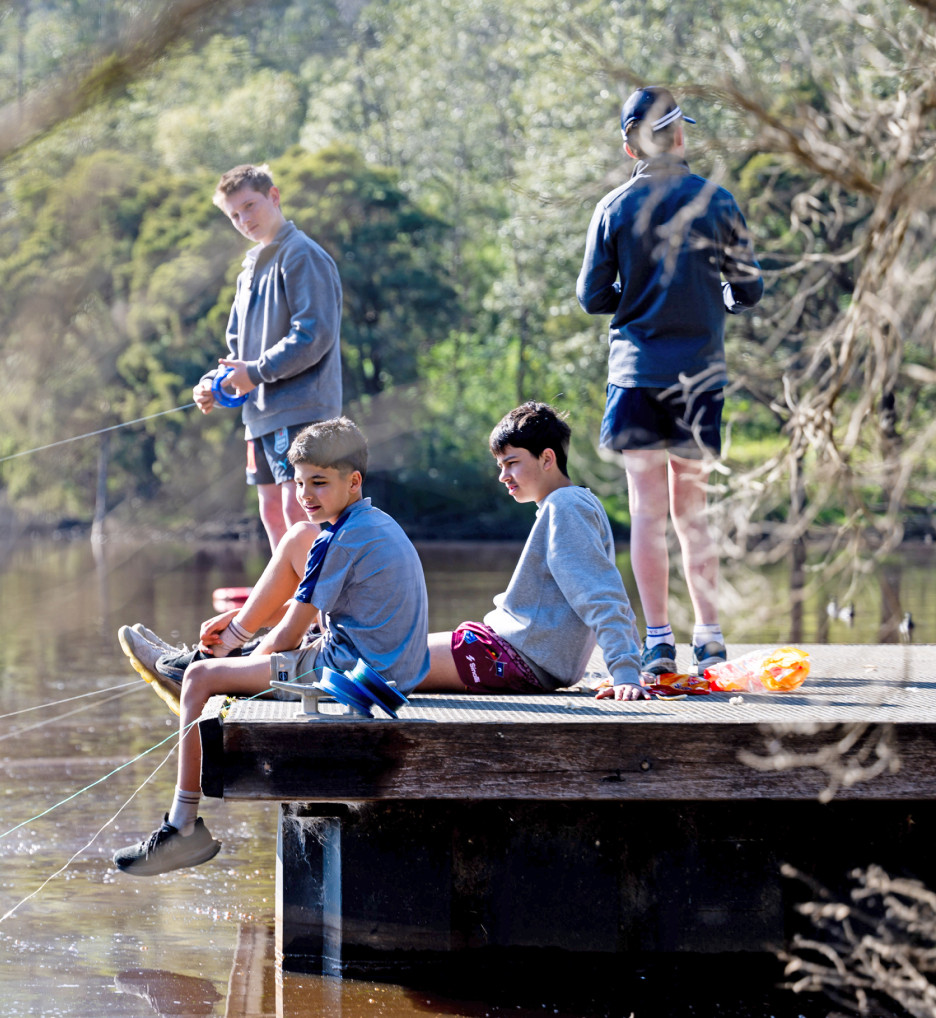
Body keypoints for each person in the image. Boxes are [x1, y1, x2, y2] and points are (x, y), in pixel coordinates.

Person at [111, 418, 429, 876]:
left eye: (319, 482)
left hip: (357, 681)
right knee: (298, 537)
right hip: (390, 670)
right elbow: (303, 615)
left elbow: (288, 638)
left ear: (353, 481)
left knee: (200, 679)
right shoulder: (370, 522)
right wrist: (246, 633)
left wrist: (229, 678)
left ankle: (182, 828)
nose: (305, 495)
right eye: (299, 482)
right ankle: (228, 651)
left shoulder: (337, 542)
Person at [576, 85, 763, 674]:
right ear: (681, 137)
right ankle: (709, 637)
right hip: (699, 379)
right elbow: (749, 287)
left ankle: (657, 641)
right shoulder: (717, 201)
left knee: (647, 513)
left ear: (630, 147)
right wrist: (715, 298)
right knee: (693, 510)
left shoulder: (613, 207)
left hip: (636, 377)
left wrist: (634, 297)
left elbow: (591, 296)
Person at [411, 402, 654, 702]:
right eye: (500, 466)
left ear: (547, 458)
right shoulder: (574, 502)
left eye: (512, 462)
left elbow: (601, 594)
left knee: (386, 661)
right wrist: (631, 663)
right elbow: (608, 585)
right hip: (510, 651)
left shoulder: (566, 507)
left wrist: (626, 671)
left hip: (510, 656)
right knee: (387, 656)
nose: (503, 475)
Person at [193, 164, 344, 552]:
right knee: (272, 512)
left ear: (274, 197)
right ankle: (290, 590)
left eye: (250, 206)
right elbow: (238, 354)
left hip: (303, 411)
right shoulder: (247, 272)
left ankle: (315, 593)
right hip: (259, 417)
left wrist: (256, 372)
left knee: (299, 511)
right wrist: (213, 384)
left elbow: (313, 335)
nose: (244, 220)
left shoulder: (302, 254)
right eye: (234, 215)